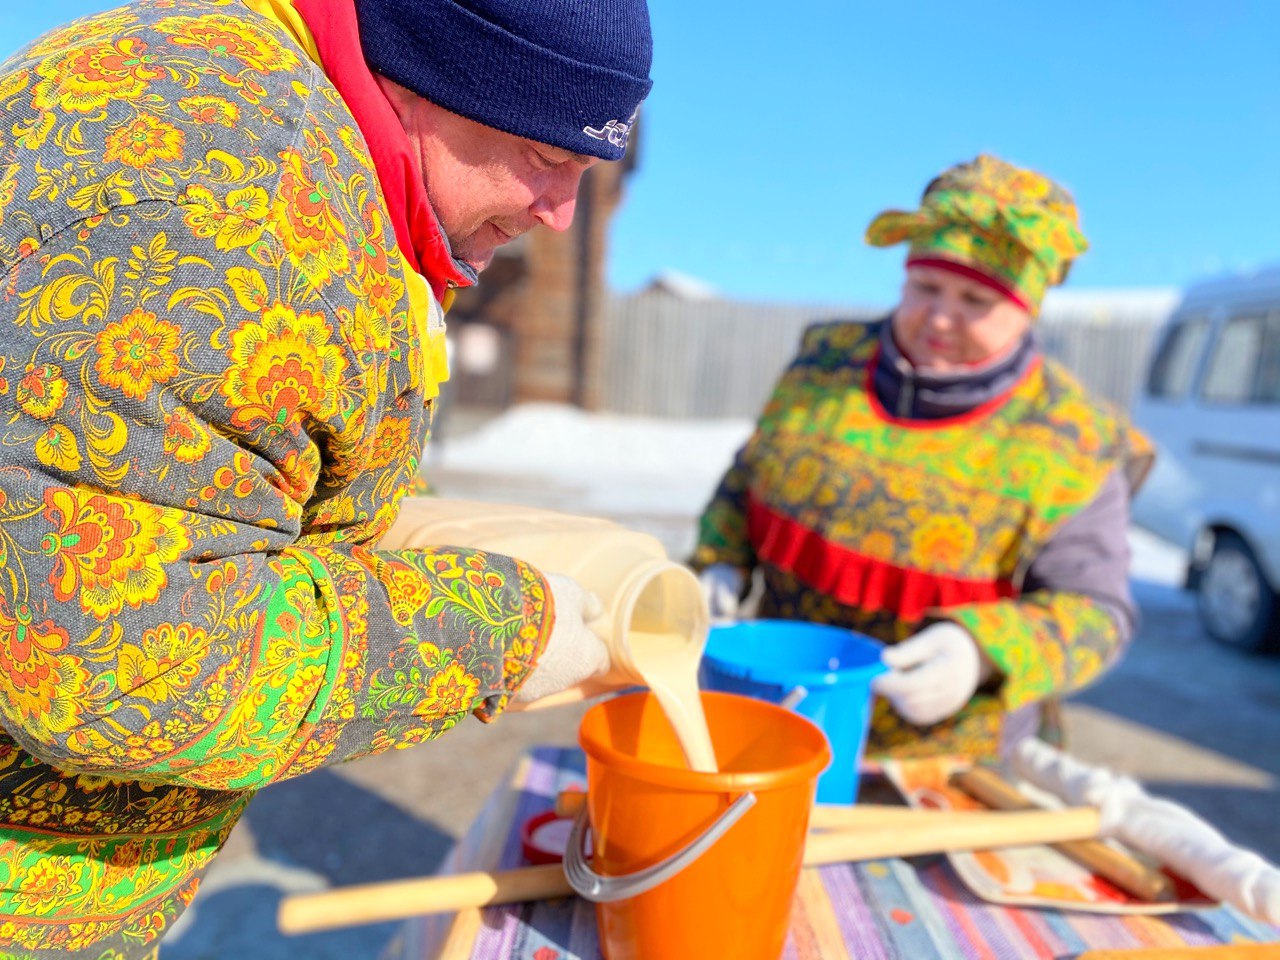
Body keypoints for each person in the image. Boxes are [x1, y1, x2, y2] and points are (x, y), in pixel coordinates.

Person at [0, 0, 650, 954]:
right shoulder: (240, 203)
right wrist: (498, 629)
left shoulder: (253, 102)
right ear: (445, 77)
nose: (558, 215)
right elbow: (116, 661)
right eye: (549, 159)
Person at [693, 155, 1153, 762]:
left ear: (1027, 311)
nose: (939, 317)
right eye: (926, 287)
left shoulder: (1074, 439)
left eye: (975, 300)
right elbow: (751, 472)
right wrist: (718, 562)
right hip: (780, 716)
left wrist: (982, 650)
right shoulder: (826, 362)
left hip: (942, 763)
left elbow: (1097, 613)